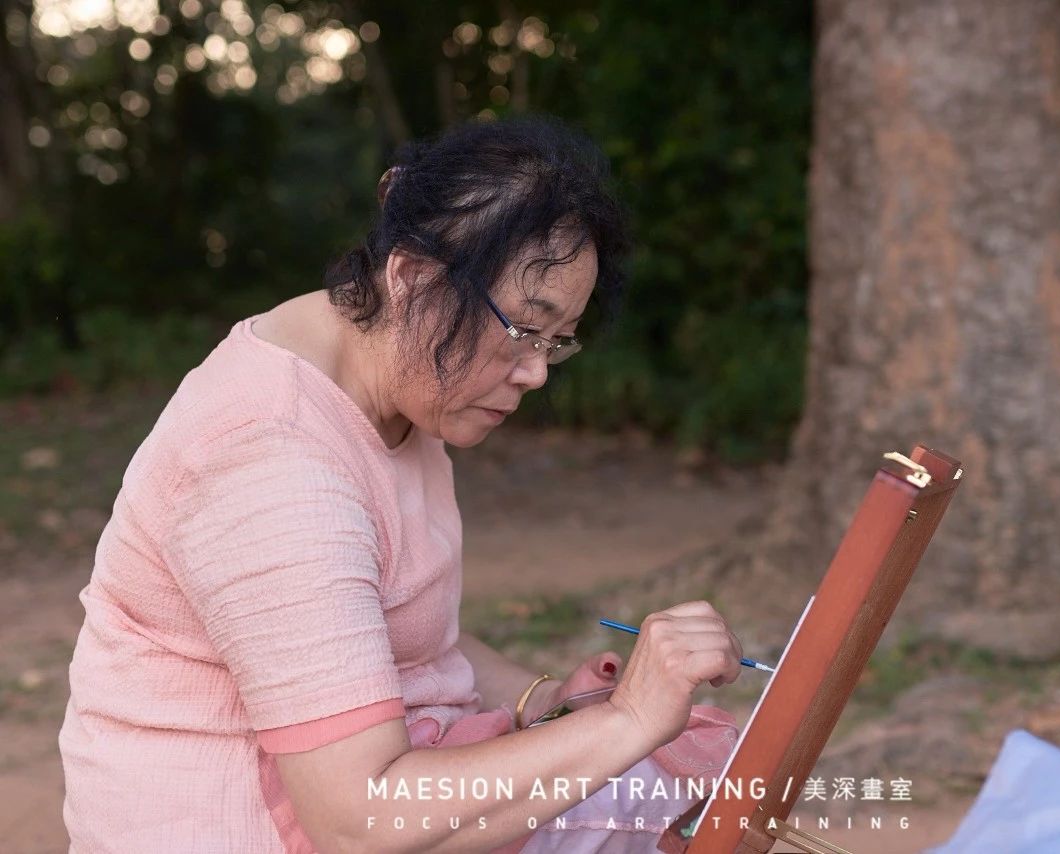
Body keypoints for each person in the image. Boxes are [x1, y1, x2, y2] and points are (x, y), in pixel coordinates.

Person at [58, 115, 742, 853]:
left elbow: (391, 638)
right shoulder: (269, 465)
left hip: (383, 782)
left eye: (557, 341)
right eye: (523, 329)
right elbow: (360, 823)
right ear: (414, 278)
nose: (537, 371)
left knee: (699, 789)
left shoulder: (391, 382)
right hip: (262, 830)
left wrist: (539, 699)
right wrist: (626, 721)